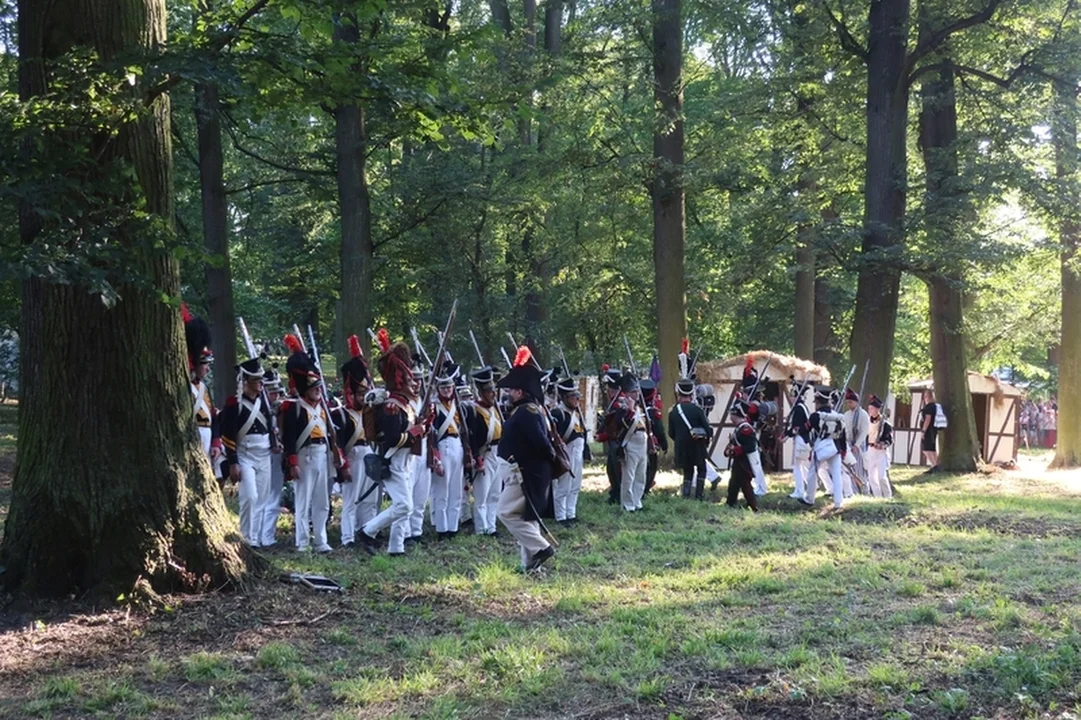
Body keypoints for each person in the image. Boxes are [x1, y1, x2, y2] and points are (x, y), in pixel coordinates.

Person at [357, 329, 423, 556]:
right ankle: (367, 531)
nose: (412, 380)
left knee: (405, 506)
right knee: (404, 506)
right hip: (393, 459)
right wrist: (417, 431)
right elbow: (395, 437)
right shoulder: (392, 405)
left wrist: (423, 424)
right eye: (407, 376)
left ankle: (396, 548)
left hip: (405, 461)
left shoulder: (404, 403)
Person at [496, 346, 557, 572]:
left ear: (520, 392)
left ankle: (541, 548)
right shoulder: (524, 410)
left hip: (525, 473)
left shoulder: (527, 412)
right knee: (527, 518)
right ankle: (530, 566)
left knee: (505, 513)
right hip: (524, 471)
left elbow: (541, 443)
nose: (509, 394)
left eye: (512, 390)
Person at [281, 335, 337, 553]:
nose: (318, 390)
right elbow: (289, 438)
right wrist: (292, 462)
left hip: (322, 454)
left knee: (322, 501)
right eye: (314, 387)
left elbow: (330, 433)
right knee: (303, 501)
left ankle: (321, 539)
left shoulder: (323, 409)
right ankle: (302, 541)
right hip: (304, 455)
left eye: (319, 387)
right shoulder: (294, 408)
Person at [219, 357, 274, 547]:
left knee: (262, 498)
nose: (261, 384)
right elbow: (227, 434)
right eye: (257, 380)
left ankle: (256, 539)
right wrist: (233, 462)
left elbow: (270, 426)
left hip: (264, 453)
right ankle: (246, 537)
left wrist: (275, 443)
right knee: (250, 496)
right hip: (244, 454)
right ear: (246, 382)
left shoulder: (264, 402)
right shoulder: (234, 404)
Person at [332, 335, 375, 549]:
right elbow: (338, 443)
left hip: (369, 454)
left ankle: (366, 531)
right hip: (353, 457)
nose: (363, 396)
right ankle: (347, 537)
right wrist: (344, 465)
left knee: (369, 498)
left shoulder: (370, 412)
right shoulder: (341, 414)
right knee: (351, 499)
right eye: (360, 393)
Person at [430, 361, 470, 538]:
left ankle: (453, 528)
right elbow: (431, 435)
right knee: (442, 491)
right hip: (443, 445)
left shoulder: (458, 406)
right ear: (438, 389)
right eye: (443, 387)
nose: (447, 390)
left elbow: (465, 431)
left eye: (449, 387)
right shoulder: (433, 406)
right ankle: (441, 528)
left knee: (456, 490)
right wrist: (436, 458)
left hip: (458, 446)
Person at [183, 304, 222, 476]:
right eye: (205, 364)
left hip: (206, 435)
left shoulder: (203, 388)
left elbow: (213, 416)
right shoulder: (186, 386)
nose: (207, 369)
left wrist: (215, 442)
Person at [468, 366, 505, 536]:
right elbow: (471, 437)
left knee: (495, 494)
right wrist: (476, 457)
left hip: (498, 453)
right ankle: (481, 529)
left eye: (493, 390)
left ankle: (491, 527)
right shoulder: (474, 410)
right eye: (489, 391)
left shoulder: (495, 409)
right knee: (482, 496)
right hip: (484, 454)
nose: (493, 394)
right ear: (481, 392)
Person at [551, 377, 587, 526]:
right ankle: (561, 516)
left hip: (578, 452)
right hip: (566, 452)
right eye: (574, 396)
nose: (577, 399)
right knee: (563, 486)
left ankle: (570, 513)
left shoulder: (576, 413)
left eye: (577, 396)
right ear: (565, 397)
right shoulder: (557, 413)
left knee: (575, 485)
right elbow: (553, 436)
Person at [611, 373, 649, 512]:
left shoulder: (639, 407)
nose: (637, 394)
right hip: (630, 444)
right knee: (629, 476)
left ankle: (637, 501)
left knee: (641, 475)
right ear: (626, 393)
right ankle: (628, 505)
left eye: (637, 391)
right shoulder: (622, 407)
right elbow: (621, 424)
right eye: (633, 391)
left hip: (642, 443)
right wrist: (631, 410)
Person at [669, 377, 711, 500]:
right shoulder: (698, 410)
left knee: (688, 472)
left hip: (682, 447)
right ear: (691, 393)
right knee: (701, 469)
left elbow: (671, 433)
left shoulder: (673, 412)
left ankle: (686, 496)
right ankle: (699, 495)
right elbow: (707, 430)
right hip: (697, 445)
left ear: (679, 393)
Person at [805, 387, 846, 509]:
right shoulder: (837, 416)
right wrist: (843, 450)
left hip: (821, 447)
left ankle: (810, 498)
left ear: (818, 402)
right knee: (837, 474)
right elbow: (843, 434)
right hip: (836, 447)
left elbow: (807, 429)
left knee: (812, 472)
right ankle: (838, 502)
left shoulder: (815, 416)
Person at [406, 361, 431, 544]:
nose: (418, 383)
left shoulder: (425, 401)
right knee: (408, 494)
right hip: (409, 451)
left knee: (421, 495)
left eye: (420, 379)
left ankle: (417, 531)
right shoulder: (404, 402)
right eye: (414, 379)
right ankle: (406, 533)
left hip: (424, 449)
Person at [260, 364, 285, 547]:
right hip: (258, 454)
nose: (275, 396)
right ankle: (255, 535)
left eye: (277, 392)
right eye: (271, 392)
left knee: (274, 495)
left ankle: (268, 536)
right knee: (259, 496)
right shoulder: (257, 409)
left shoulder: (281, 410)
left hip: (276, 456)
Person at [723, 401, 759, 512]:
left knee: (745, 485)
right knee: (734, 483)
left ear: (736, 414)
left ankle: (753, 507)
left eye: (731, 415)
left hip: (745, 462)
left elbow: (750, 447)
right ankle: (730, 503)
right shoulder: (739, 428)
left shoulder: (745, 429)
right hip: (739, 462)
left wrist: (735, 450)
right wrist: (729, 450)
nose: (730, 417)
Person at [597, 366, 624, 504]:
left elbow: (615, 427)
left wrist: (602, 436)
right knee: (611, 470)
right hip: (615, 441)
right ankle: (615, 493)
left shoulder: (618, 403)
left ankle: (617, 495)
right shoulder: (615, 402)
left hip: (618, 441)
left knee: (616, 470)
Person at [640, 379, 668, 496]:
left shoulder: (636, 408)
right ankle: (645, 488)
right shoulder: (652, 412)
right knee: (651, 466)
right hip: (649, 444)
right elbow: (659, 430)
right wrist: (663, 443)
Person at [786, 381, 812, 502]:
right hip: (803, 439)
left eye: (792, 395)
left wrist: (786, 435)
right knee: (800, 465)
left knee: (797, 466)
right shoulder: (802, 407)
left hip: (801, 439)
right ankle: (811, 485)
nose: (791, 398)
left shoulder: (798, 408)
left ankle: (799, 491)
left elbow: (796, 428)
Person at [843, 388, 870, 496]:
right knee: (850, 470)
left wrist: (857, 445)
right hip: (848, 444)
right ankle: (853, 492)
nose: (849, 404)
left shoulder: (863, 414)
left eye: (851, 402)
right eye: (847, 402)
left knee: (860, 470)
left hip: (859, 445)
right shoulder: (846, 415)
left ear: (856, 402)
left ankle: (864, 491)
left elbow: (864, 432)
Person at [865, 395, 893, 498]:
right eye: (869, 409)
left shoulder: (885, 424)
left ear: (877, 409)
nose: (870, 411)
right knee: (872, 477)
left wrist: (881, 444)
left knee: (881, 476)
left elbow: (889, 440)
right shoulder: (867, 422)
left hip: (880, 453)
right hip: (870, 450)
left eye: (872, 409)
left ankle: (887, 496)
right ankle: (877, 496)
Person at [919, 390, 944, 472]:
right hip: (934, 430)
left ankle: (935, 466)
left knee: (926, 449)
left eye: (925, 396)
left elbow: (927, 419)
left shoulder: (928, 407)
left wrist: (923, 431)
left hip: (928, 430)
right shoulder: (935, 406)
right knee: (932, 449)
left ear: (927, 397)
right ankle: (935, 465)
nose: (924, 398)